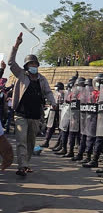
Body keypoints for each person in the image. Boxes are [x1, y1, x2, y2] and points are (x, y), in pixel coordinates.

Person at [8, 32, 57, 176]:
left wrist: (53, 102)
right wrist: (16, 45)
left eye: (35, 64)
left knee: (30, 142)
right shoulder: (21, 75)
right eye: (30, 64)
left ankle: (26, 163)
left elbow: (48, 92)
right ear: (26, 66)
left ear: (38, 65)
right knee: (21, 141)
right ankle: (22, 166)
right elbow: (11, 63)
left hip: (35, 116)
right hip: (21, 115)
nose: (33, 66)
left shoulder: (42, 79)